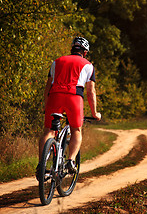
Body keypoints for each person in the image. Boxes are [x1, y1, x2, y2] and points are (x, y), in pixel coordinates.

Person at [37, 37, 101, 177]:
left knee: (49, 131)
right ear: (85, 52)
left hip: (55, 96)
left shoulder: (56, 62)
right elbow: (91, 92)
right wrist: (95, 113)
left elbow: (48, 86)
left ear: (72, 49)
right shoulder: (88, 65)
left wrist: (46, 106)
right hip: (74, 97)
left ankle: (41, 165)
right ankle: (71, 160)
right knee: (76, 130)